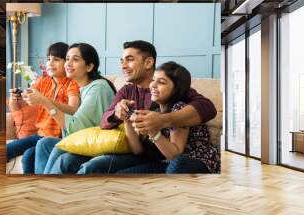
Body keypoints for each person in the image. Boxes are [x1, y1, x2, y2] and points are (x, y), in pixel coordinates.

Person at [50, 40, 217, 174]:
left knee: (94, 166)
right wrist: (119, 114)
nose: (123, 65)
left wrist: (161, 120)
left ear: (148, 62)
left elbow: (207, 108)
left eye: (129, 59)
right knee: (63, 157)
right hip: (142, 151)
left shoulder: (172, 90)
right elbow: (105, 122)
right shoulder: (127, 91)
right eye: (122, 61)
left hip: (164, 156)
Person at [119, 61, 220, 173]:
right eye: (153, 80)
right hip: (167, 162)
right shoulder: (155, 111)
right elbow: (137, 150)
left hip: (196, 161)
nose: (153, 85)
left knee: (176, 165)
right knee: (123, 174)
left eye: (161, 82)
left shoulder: (180, 108)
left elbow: (174, 154)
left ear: (176, 89)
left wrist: (153, 131)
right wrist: (127, 120)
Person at [34, 43, 116, 174]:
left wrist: (45, 102)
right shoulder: (81, 88)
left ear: (89, 66)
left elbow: (75, 127)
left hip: (96, 145)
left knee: (61, 155)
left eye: (75, 59)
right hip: (81, 141)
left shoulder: (98, 88)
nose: (68, 63)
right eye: (67, 59)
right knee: (44, 144)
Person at [6, 42, 80, 174]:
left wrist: (45, 100)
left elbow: (73, 109)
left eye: (56, 59)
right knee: (8, 149)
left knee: (29, 156)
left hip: (57, 138)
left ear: (67, 63)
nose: (50, 63)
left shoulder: (72, 84)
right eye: (48, 59)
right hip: (40, 135)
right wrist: (19, 96)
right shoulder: (43, 81)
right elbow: (28, 95)